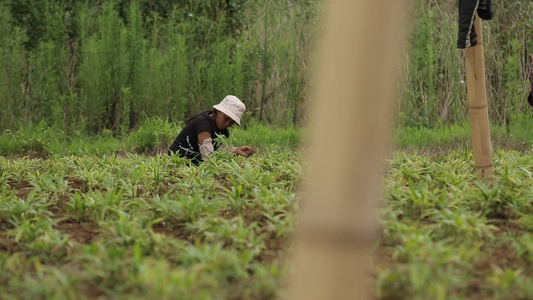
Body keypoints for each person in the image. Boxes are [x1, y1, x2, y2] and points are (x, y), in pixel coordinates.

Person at [168, 95, 255, 165]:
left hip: (195, 162)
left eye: (232, 122)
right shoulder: (203, 123)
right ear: (218, 111)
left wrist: (236, 150)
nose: (228, 123)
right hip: (178, 161)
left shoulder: (223, 132)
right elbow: (208, 157)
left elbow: (217, 150)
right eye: (227, 118)